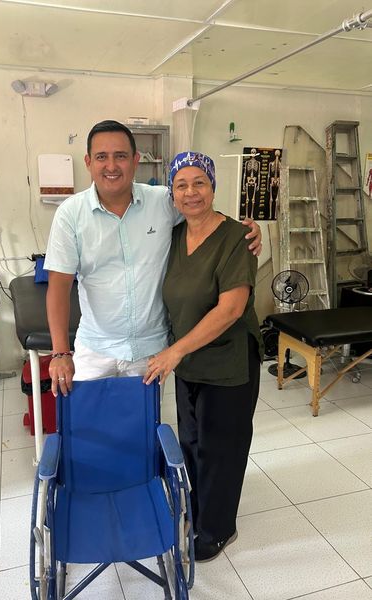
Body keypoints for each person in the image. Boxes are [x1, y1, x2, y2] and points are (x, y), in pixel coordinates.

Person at [44, 120, 262, 396]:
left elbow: (201, 211)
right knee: (91, 421)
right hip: (96, 349)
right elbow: (59, 286)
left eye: (120, 156)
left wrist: (244, 230)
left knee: (142, 421)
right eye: (101, 157)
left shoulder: (162, 201)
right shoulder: (70, 214)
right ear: (88, 162)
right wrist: (60, 352)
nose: (111, 166)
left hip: (149, 351)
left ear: (135, 160)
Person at [143, 151, 264, 563]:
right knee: (192, 442)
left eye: (200, 183)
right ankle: (195, 512)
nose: (191, 192)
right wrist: (177, 351)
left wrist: (174, 351)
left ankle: (218, 529)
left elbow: (231, 309)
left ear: (213, 187)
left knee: (221, 447)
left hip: (228, 360)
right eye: (181, 185)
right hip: (189, 360)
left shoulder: (236, 238)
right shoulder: (175, 235)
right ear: (172, 192)